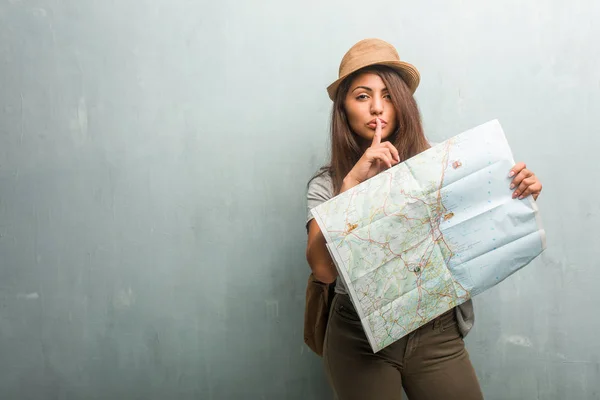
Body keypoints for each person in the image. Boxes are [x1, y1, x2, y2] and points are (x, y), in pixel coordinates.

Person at [304, 38, 543, 400]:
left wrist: (518, 191)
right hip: (358, 334)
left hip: (436, 329)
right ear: (344, 110)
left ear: (402, 104)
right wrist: (352, 184)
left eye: (387, 95)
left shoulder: (441, 165)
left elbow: (479, 224)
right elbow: (323, 270)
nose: (377, 108)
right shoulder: (327, 183)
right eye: (362, 96)